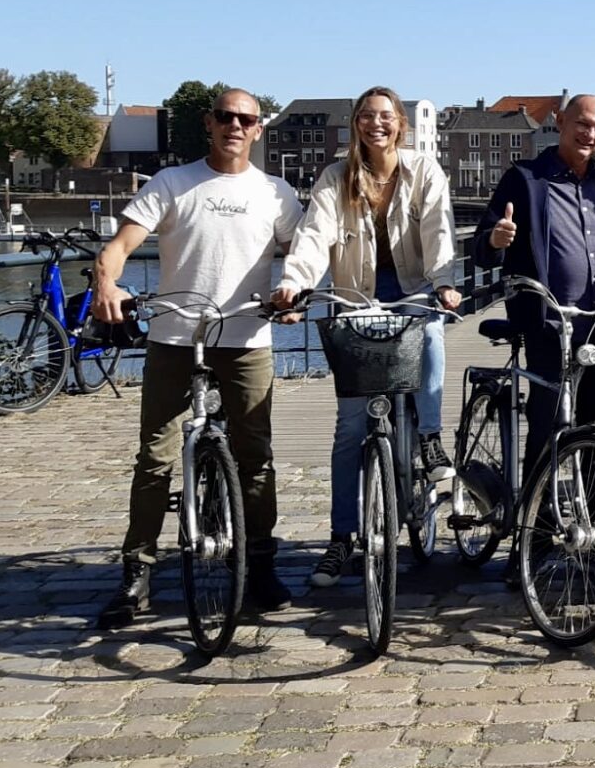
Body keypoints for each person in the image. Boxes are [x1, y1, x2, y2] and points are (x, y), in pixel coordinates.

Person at [92, 88, 302, 628]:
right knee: (155, 457)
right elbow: (121, 243)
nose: (235, 126)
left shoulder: (276, 193)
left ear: (258, 130)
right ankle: (136, 573)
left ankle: (259, 564)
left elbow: (304, 254)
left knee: (255, 457)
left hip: (246, 339)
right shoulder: (172, 182)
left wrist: (294, 294)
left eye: (246, 119)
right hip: (174, 336)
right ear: (209, 124)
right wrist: (107, 281)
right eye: (226, 117)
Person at [271, 87, 461, 590]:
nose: (376, 124)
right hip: (357, 301)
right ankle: (341, 538)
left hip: (414, 294)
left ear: (400, 122)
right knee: (351, 430)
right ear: (356, 123)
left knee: (433, 337)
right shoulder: (337, 177)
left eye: (385, 116)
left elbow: (440, 227)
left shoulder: (423, 171)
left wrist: (443, 281)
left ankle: (430, 440)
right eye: (366, 116)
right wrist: (296, 282)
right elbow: (316, 234)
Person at [473, 95, 595, 474]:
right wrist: (497, 239)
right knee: (549, 426)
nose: (589, 133)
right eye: (582, 123)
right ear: (560, 121)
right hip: (549, 329)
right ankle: (538, 528)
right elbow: (483, 250)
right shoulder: (525, 179)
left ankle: (592, 525)